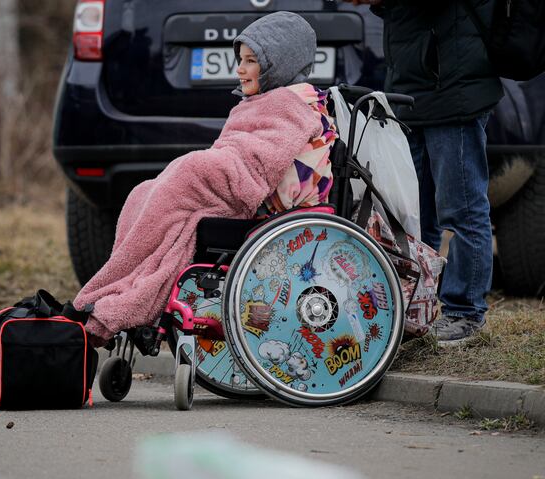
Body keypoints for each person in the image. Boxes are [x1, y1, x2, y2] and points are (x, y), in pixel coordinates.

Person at [72, 12, 337, 346]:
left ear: (277, 65)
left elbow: (260, 161)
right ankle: (118, 288)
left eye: (251, 61)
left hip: (262, 200)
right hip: (235, 181)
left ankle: (120, 298)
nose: (240, 69)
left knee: (187, 171)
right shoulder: (263, 101)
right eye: (240, 60)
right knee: (144, 192)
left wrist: (210, 167)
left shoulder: (292, 105)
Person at [350, 0, 502, 345]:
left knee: (461, 209)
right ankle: (418, 308)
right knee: (412, 215)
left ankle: (465, 312)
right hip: (413, 88)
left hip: (453, 90)